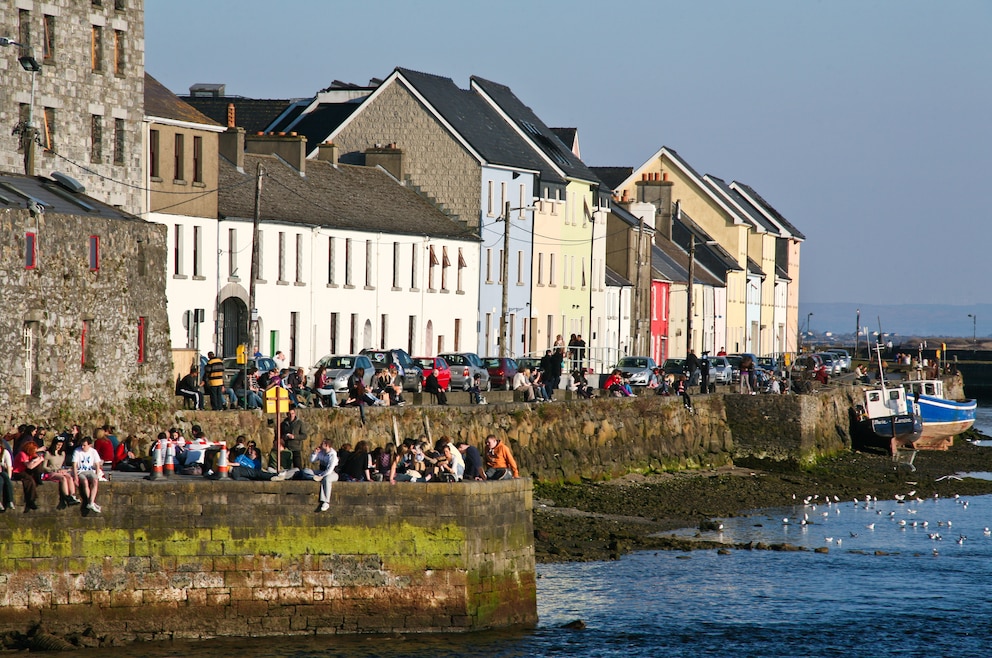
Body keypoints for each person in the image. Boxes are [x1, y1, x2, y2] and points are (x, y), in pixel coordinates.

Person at [45, 434, 81, 509]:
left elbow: (63, 465)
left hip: (60, 471)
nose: (59, 447)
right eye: (58, 445)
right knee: (63, 479)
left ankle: (72, 495)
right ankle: (67, 497)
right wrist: (53, 469)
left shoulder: (62, 454)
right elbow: (44, 467)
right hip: (51, 472)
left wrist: (64, 470)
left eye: (60, 445)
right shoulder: (48, 454)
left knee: (69, 478)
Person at [72, 436, 103, 513]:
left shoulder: (93, 451)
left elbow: (97, 464)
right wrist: (75, 476)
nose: (82, 447)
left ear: (89, 445)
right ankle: (91, 502)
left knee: (95, 480)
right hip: (80, 471)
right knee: (85, 482)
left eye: (84, 445)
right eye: (82, 445)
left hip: (90, 471)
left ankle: (91, 502)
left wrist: (97, 474)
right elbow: (74, 465)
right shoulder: (77, 451)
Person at [12, 441, 45, 511]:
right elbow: (29, 466)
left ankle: (38, 476)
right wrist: (39, 460)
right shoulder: (22, 454)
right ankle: (31, 500)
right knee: (29, 480)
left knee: (37, 467)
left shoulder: (31, 454)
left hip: (25, 471)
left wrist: (37, 458)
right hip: (18, 472)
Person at [310, 440, 339, 512]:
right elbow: (312, 460)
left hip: (332, 473)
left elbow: (329, 470)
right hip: (321, 472)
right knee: (306, 471)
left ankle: (326, 502)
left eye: (322, 444)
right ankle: (313, 477)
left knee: (326, 479)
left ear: (327, 445)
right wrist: (315, 453)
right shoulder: (321, 452)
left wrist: (321, 476)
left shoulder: (333, 454)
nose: (320, 444)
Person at [0, 440, 13, 512]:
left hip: (2, 472)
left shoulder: (5, 453)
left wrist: (9, 478)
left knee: (6, 478)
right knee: (0, 482)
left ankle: (10, 501)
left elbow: (9, 466)